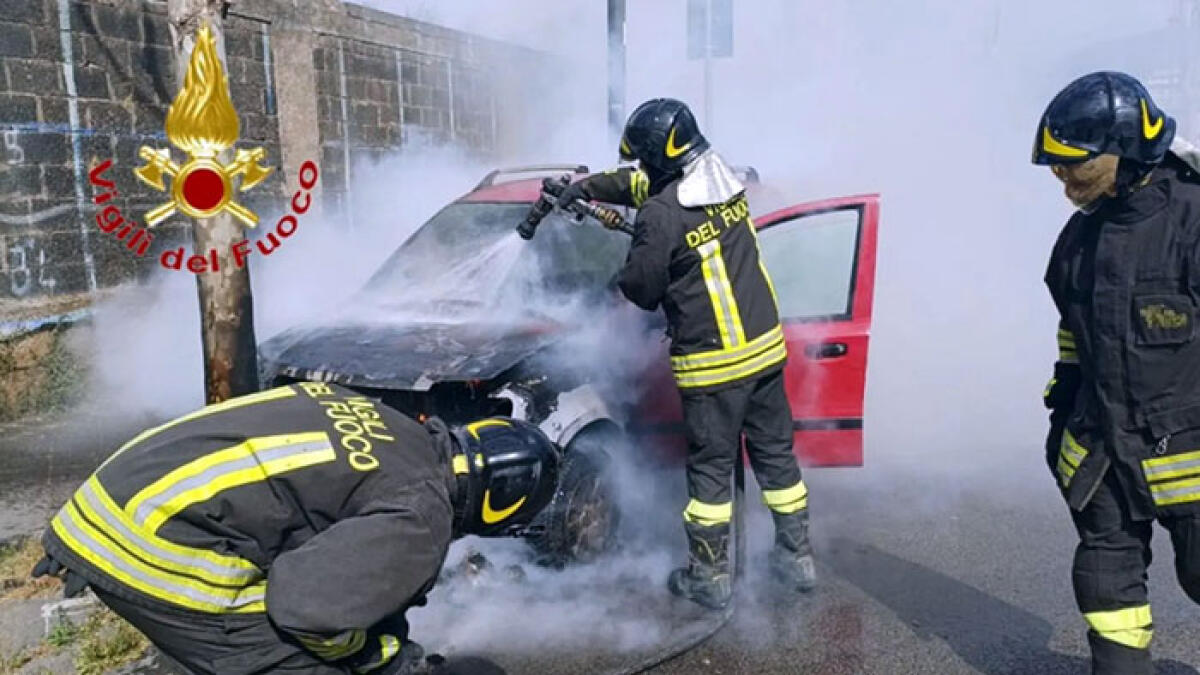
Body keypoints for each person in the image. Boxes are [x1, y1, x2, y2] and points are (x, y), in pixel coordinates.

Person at [32, 382, 560, 674]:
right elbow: (304, 609)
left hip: (112, 499)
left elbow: (319, 544)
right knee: (300, 663)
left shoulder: (393, 425)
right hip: (147, 544)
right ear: (501, 508)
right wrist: (385, 661)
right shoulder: (423, 514)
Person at [555, 98, 814, 609]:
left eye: (643, 158)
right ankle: (797, 558)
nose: (640, 168)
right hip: (765, 352)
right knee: (776, 458)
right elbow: (641, 187)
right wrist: (585, 188)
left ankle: (709, 577)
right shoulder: (722, 180)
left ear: (658, 156)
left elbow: (641, 288)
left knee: (711, 471)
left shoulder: (660, 215)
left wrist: (635, 255)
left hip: (714, 364)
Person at [1035, 71, 1200, 675]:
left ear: (1124, 149)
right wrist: (1063, 414)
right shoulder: (1077, 241)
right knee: (1106, 587)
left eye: (1074, 163)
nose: (1062, 176)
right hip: (1102, 450)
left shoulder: (1192, 223)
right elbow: (1073, 337)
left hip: (1187, 455)